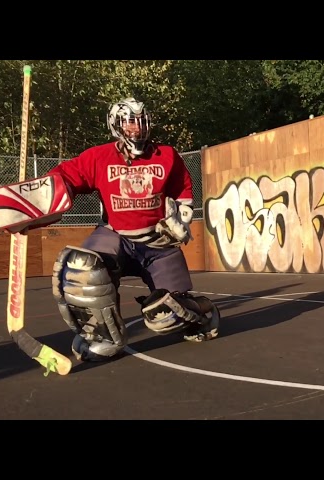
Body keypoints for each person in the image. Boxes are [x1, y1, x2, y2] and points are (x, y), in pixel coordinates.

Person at [48, 97, 220, 362]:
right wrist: (34, 198)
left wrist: (181, 219)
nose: (136, 129)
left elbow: (184, 189)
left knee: (167, 310)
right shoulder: (98, 156)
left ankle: (201, 313)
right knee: (84, 269)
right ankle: (102, 336)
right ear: (116, 125)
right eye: (129, 123)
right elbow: (65, 177)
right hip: (114, 235)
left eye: (140, 122)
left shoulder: (167, 155)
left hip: (157, 240)